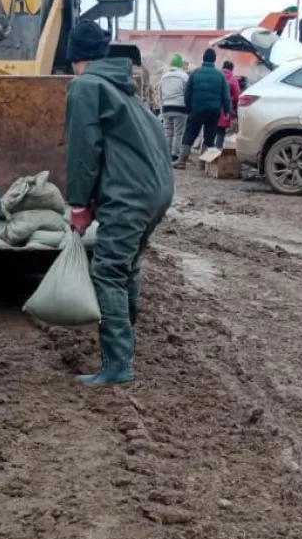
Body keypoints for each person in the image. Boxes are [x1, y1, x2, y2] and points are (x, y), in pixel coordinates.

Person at [62, 20, 174, 386]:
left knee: (108, 271)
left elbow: (83, 150)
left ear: (75, 56)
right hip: (154, 191)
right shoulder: (123, 91)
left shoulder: (85, 86)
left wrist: (79, 203)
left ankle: (117, 365)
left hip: (129, 195)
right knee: (126, 266)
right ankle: (125, 341)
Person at [176, 47, 229, 168]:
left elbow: (187, 93)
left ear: (203, 59)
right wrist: (226, 110)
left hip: (197, 109)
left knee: (190, 133)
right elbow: (225, 95)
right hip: (214, 110)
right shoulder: (220, 75)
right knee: (209, 136)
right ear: (214, 60)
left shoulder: (195, 73)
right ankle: (203, 164)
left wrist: (189, 108)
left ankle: (182, 161)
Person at [157, 54, 188, 162]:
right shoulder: (184, 76)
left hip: (166, 107)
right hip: (180, 108)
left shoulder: (164, 77)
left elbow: (159, 94)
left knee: (168, 132)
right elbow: (187, 93)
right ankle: (175, 155)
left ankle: (166, 154)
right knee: (178, 133)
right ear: (180, 64)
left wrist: (161, 108)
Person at [214, 59, 242, 149]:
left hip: (211, 107)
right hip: (224, 110)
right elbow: (237, 95)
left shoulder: (216, 76)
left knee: (209, 131)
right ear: (232, 69)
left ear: (223, 67)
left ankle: (204, 153)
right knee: (220, 132)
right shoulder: (233, 80)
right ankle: (216, 153)